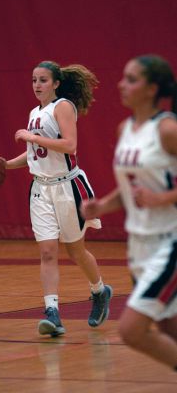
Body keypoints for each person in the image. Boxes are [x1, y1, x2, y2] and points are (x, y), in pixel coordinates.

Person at [81, 54, 177, 370]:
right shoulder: (126, 128)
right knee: (168, 331)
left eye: (132, 79)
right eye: (124, 77)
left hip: (170, 243)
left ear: (151, 89)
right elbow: (130, 189)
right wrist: (102, 206)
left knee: (131, 330)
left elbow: (154, 193)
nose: (122, 84)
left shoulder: (167, 129)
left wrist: (163, 198)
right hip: (139, 245)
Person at [4, 60, 113, 337]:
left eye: (43, 80)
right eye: (33, 80)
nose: (37, 85)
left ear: (55, 83)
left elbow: (69, 145)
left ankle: (100, 291)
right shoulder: (33, 112)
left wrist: (32, 137)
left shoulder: (63, 106)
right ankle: (52, 313)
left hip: (68, 187)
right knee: (48, 251)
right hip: (41, 189)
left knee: (76, 251)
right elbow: (33, 155)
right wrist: (4, 165)